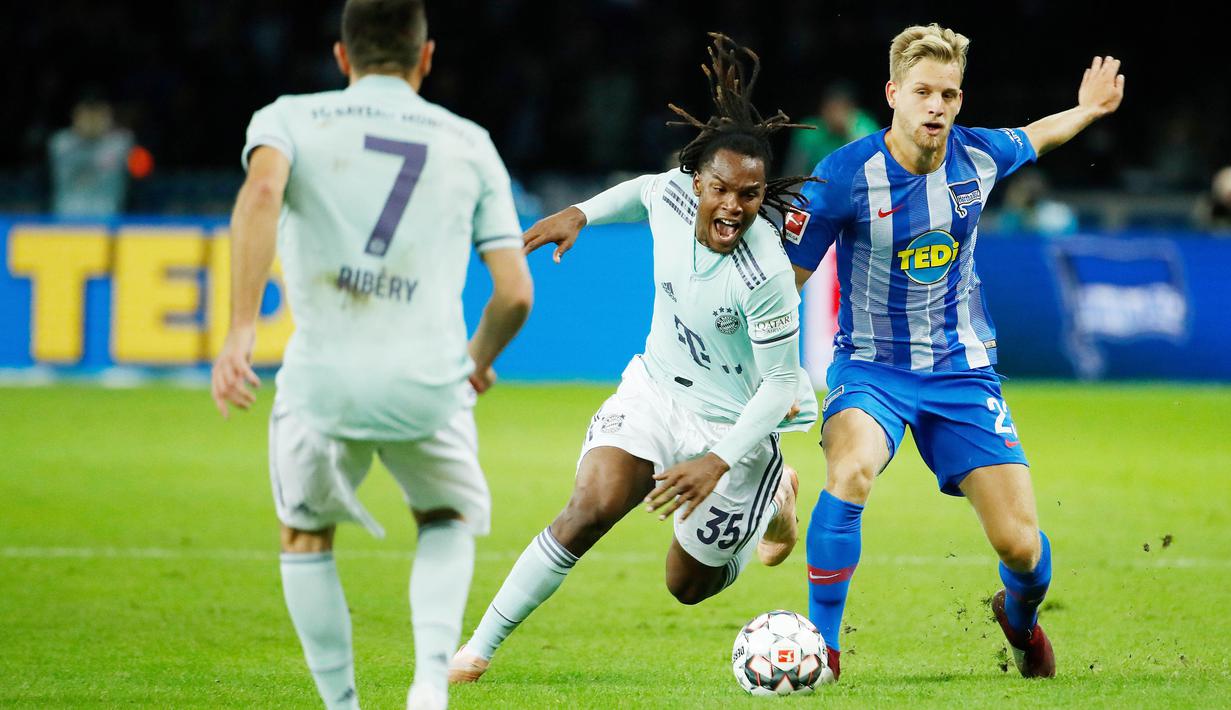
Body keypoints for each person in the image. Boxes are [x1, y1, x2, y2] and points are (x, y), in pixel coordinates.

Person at [449, 34, 824, 683]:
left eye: (750, 194)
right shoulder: (674, 195)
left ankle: (775, 500)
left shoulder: (764, 271)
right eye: (720, 189)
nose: (733, 205)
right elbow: (643, 189)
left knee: (686, 584)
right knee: (589, 507)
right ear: (698, 180)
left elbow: (781, 387)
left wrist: (718, 459)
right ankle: (475, 652)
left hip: (733, 427)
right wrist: (580, 214)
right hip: (655, 392)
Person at [209, 2, 533, 708]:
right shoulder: (470, 141)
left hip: (322, 375)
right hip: (428, 378)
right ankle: (426, 687)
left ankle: (341, 705)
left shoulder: (288, 117)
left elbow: (260, 192)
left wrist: (239, 330)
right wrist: (475, 361)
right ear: (425, 58)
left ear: (341, 57)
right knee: (445, 517)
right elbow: (514, 294)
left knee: (304, 535)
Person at [784, 24, 1124, 680]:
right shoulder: (844, 176)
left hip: (959, 372)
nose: (934, 105)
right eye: (921, 92)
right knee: (850, 471)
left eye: (946, 93)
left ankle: (1019, 622)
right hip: (870, 369)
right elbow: (787, 282)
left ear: (959, 100)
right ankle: (821, 653)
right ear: (892, 94)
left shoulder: (979, 155)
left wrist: (1086, 109)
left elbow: (1037, 135)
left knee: (1020, 547)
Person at [47, 97, 134, 218]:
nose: (93, 121)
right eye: (86, 115)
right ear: (75, 117)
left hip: (107, 220)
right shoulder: (61, 141)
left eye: (100, 115)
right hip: (66, 220)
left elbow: (140, 169)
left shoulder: (121, 142)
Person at [783, 81, 880, 178]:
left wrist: (850, 129)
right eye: (832, 108)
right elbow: (793, 171)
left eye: (843, 107)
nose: (837, 114)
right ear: (823, 109)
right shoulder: (809, 131)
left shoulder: (864, 125)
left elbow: (873, 164)